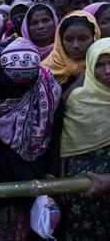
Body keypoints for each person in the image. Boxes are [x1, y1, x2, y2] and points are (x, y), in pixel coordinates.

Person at [0, 37, 62, 241]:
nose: (18, 89)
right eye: (13, 83)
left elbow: (55, 131)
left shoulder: (47, 89)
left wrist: (51, 172)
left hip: (34, 170)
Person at [60, 38, 110, 241]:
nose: (107, 71)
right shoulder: (78, 99)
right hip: (82, 184)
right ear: (89, 65)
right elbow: (65, 145)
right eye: (99, 64)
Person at [42, 10, 101, 87]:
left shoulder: (104, 66)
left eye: (82, 39)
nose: (75, 45)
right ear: (59, 40)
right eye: (69, 40)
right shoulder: (44, 72)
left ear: (94, 38)